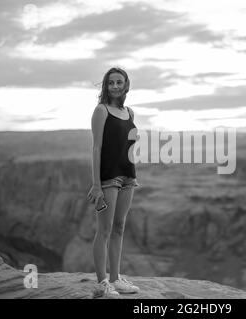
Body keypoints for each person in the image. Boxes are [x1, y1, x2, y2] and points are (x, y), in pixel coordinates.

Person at [87, 67, 140, 298]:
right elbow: (96, 148)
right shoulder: (101, 110)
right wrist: (96, 184)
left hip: (129, 177)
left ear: (126, 85)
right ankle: (102, 283)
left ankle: (116, 279)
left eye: (119, 82)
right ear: (106, 87)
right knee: (105, 230)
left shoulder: (129, 112)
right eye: (111, 83)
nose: (115, 86)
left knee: (119, 227)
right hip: (109, 178)